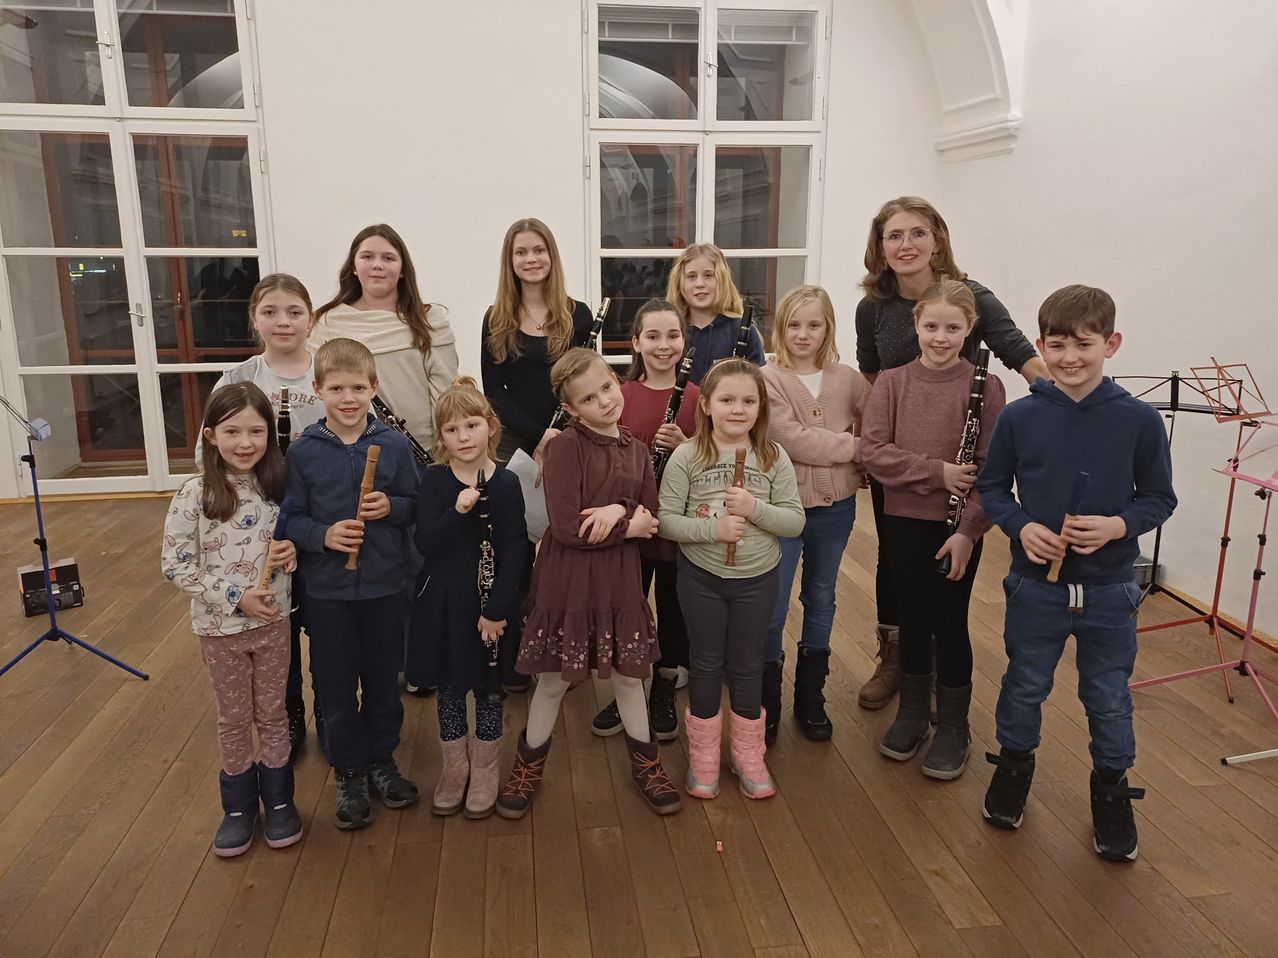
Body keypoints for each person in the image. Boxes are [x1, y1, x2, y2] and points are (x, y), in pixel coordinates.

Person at [976, 284, 1175, 861]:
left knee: (1108, 695)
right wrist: (1020, 526)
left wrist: (1118, 526)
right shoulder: (1020, 417)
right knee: (1025, 684)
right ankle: (1013, 769)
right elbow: (993, 487)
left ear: (1110, 344)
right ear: (1039, 344)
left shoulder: (1138, 420)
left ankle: (1111, 793)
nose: (1069, 357)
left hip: (1112, 586)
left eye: (1083, 345)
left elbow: (1159, 499)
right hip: (1036, 584)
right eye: (1056, 345)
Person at [854, 196, 1048, 712]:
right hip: (902, 454)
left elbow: (1016, 350)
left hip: (959, 458)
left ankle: (940, 659)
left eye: (917, 233)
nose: (906, 245)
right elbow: (873, 374)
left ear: (937, 238)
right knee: (892, 559)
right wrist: (887, 429)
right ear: (880, 246)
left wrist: (1062, 402)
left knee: (950, 567)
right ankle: (898, 655)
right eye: (894, 236)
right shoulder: (872, 306)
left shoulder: (971, 297)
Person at [496, 349, 681, 819]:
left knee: (628, 677)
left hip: (619, 583)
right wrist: (627, 522)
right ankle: (527, 768)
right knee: (555, 681)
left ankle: (647, 764)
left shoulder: (636, 448)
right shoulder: (564, 447)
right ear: (572, 409)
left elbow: (648, 513)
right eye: (588, 398)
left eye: (606, 387)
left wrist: (618, 511)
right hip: (569, 584)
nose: (604, 401)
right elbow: (564, 526)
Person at [861, 278, 1006, 779]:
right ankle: (913, 713)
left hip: (958, 530)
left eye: (952, 327)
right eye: (931, 326)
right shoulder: (894, 382)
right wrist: (937, 472)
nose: (940, 337)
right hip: (903, 521)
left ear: (970, 329)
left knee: (951, 622)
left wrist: (969, 528)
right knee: (913, 621)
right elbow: (873, 452)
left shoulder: (986, 385)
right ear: (915, 325)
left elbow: (993, 470)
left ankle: (954, 727)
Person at [161, 382, 303, 857]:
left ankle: (280, 801)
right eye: (233, 430)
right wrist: (236, 597)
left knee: (274, 713)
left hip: (274, 623)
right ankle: (239, 808)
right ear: (209, 435)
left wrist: (291, 552)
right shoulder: (193, 493)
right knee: (235, 718)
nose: (245, 442)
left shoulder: (278, 484)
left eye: (256, 431)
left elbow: (289, 541)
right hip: (220, 630)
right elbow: (176, 564)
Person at [284, 338, 420, 830]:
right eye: (336, 388)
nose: (348, 397)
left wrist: (392, 507)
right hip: (327, 592)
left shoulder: (396, 445)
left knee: (384, 680)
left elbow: (415, 504)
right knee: (336, 684)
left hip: (385, 585)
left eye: (358, 387)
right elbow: (290, 520)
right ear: (317, 389)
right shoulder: (303, 452)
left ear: (374, 388)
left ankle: (382, 759)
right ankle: (349, 769)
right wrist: (324, 535)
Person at [658, 358, 805, 800]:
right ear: (705, 405)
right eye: (726, 400)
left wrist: (753, 509)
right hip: (701, 577)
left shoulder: (773, 456)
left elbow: (794, 521)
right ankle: (704, 758)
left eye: (748, 401)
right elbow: (666, 521)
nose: (737, 409)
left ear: (761, 408)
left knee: (747, 665)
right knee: (704, 663)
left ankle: (747, 754)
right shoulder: (687, 455)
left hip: (757, 579)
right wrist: (713, 530)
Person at [201, 273, 324, 762]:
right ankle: (289, 714)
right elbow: (210, 459)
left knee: (326, 623)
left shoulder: (330, 372)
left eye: (294, 311)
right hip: (259, 530)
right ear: (254, 319)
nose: (283, 321)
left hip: (321, 522)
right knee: (280, 629)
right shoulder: (236, 379)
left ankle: (334, 712)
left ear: (310, 317)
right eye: (270, 311)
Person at [407, 378, 527, 819]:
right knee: (452, 689)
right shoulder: (434, 481)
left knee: (489, 691)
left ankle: (486, 768)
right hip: (444, 605)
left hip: (489, 609)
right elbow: (427, 544)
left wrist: (498, 610)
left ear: (491, 428)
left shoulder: (509, 482)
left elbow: (516, 549)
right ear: (441, 437)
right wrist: (457, 512)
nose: (463, 437)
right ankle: (454, 769)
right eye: (452, 429)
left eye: (471, 425)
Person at [759, 285, 871, 745]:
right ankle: (766, 701)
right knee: (773, 603)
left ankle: (811, 696)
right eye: (794, 324)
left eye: (814, 324)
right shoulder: (767, 377)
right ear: (781, 328)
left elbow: (876, 418)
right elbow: (788, 437)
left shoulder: (847, 377)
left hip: (836, 508)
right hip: (780, 509)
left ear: (828, 327)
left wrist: (862, 452)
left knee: (821, 596)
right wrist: (857, 449)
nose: (803, 334)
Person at [591, 299, 700, 741]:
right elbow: (606, 459)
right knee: (629, 606)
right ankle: (628, 687)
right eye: (652, 336)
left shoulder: (696, 398)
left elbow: (710, 462)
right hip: (632, 526)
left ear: (684, 342)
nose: (663, 345)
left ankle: (666, 685)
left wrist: (686, 443)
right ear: (635, 342)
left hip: (675, 523)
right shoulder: (621, 394)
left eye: (672, 335)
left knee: (674, 609)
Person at [310, 223, 458, 450]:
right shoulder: (329, 322)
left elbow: (444, 392)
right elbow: (319, 391)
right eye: (367, 256)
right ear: (354, 267)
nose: (377, 265)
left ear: (402, 269)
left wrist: (445, 447)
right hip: (349, 450)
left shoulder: (430, 319)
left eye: (388, 258)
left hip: (422, 450)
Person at [480, 217, 595, 463]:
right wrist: (538, 435)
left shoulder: (579, 314)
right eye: (521, 252)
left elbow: (589, 384)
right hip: (514, 436)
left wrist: (559, 433)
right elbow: (494, 390)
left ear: (551, 255)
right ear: (510, 262)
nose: (531, 259)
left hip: (571, 431)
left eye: (539, 250)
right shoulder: (495, 318)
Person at [666, 243, 765, 385]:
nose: (700, 283)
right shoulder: (672, 330)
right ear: (679, 284)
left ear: (722, 280)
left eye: (708, 275)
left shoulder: (741, 329)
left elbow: (758, 386)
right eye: (691, 276)